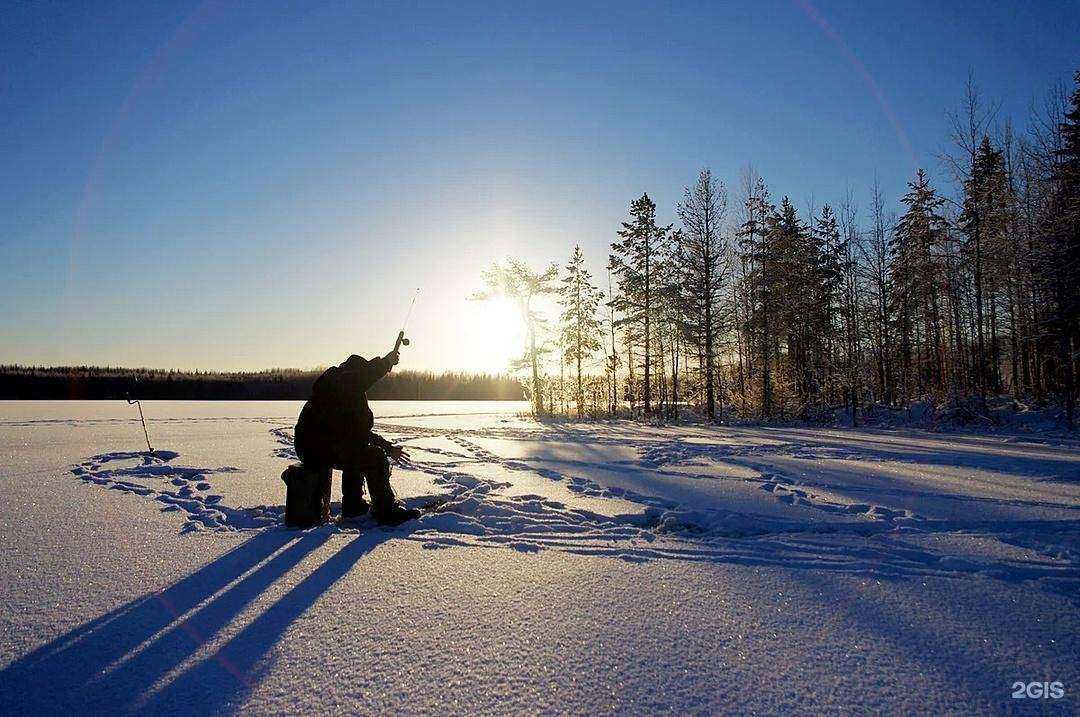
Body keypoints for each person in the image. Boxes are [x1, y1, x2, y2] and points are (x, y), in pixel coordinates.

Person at [293, 349, 420, 525]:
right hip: (319, 449)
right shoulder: (345, 384)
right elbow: (364, 377)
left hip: (311, 448)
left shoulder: (333, 385)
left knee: (355, 450)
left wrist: (388, 447)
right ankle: (385, 512)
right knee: (374, 457)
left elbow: (357, 433)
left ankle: (354, 507)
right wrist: (386, 362)